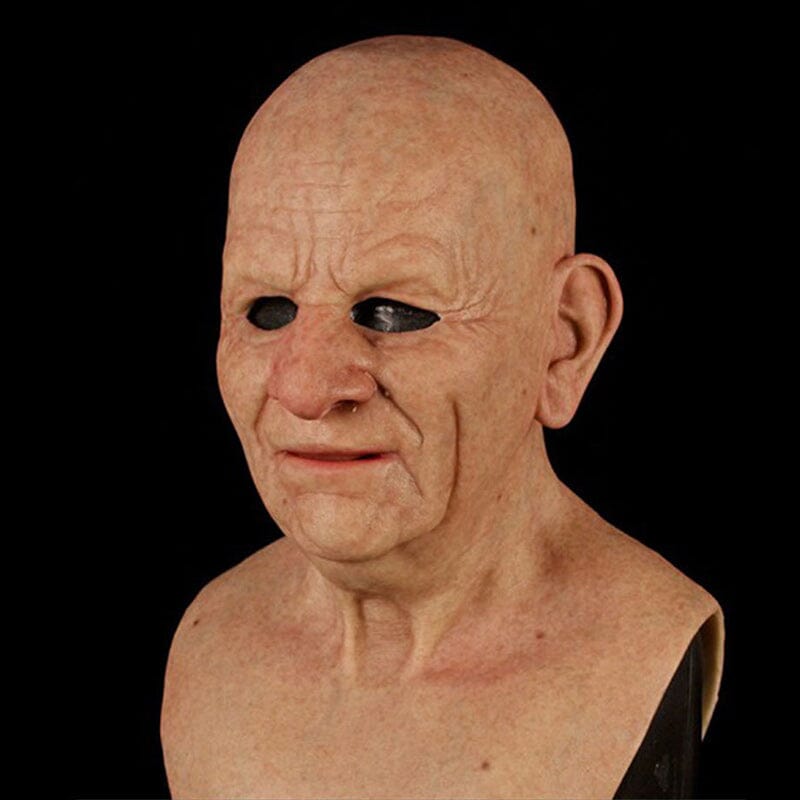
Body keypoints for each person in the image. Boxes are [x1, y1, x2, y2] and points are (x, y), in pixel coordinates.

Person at [161, 34, 723, 799]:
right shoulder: (212, 635)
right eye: (268, 309)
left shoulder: (645, 647)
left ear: (565, 339)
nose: (305, 389)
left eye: (394, 311)